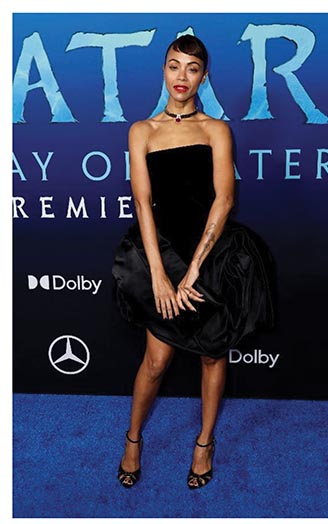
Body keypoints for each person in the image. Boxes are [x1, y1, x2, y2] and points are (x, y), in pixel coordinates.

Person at [113, 35, 275, 490]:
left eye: (191, 68)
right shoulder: (142, 131)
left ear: (204, 76)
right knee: (157, 359)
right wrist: (161, 276)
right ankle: (133, 438)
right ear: (163, 71)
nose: (181, 77)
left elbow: (223, 201)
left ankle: (204, 442)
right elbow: (142, 205)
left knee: (211, 353)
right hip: (159, 253)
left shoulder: (216, 130)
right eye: (173, 66)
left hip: (213, 254)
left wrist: (196, 270)